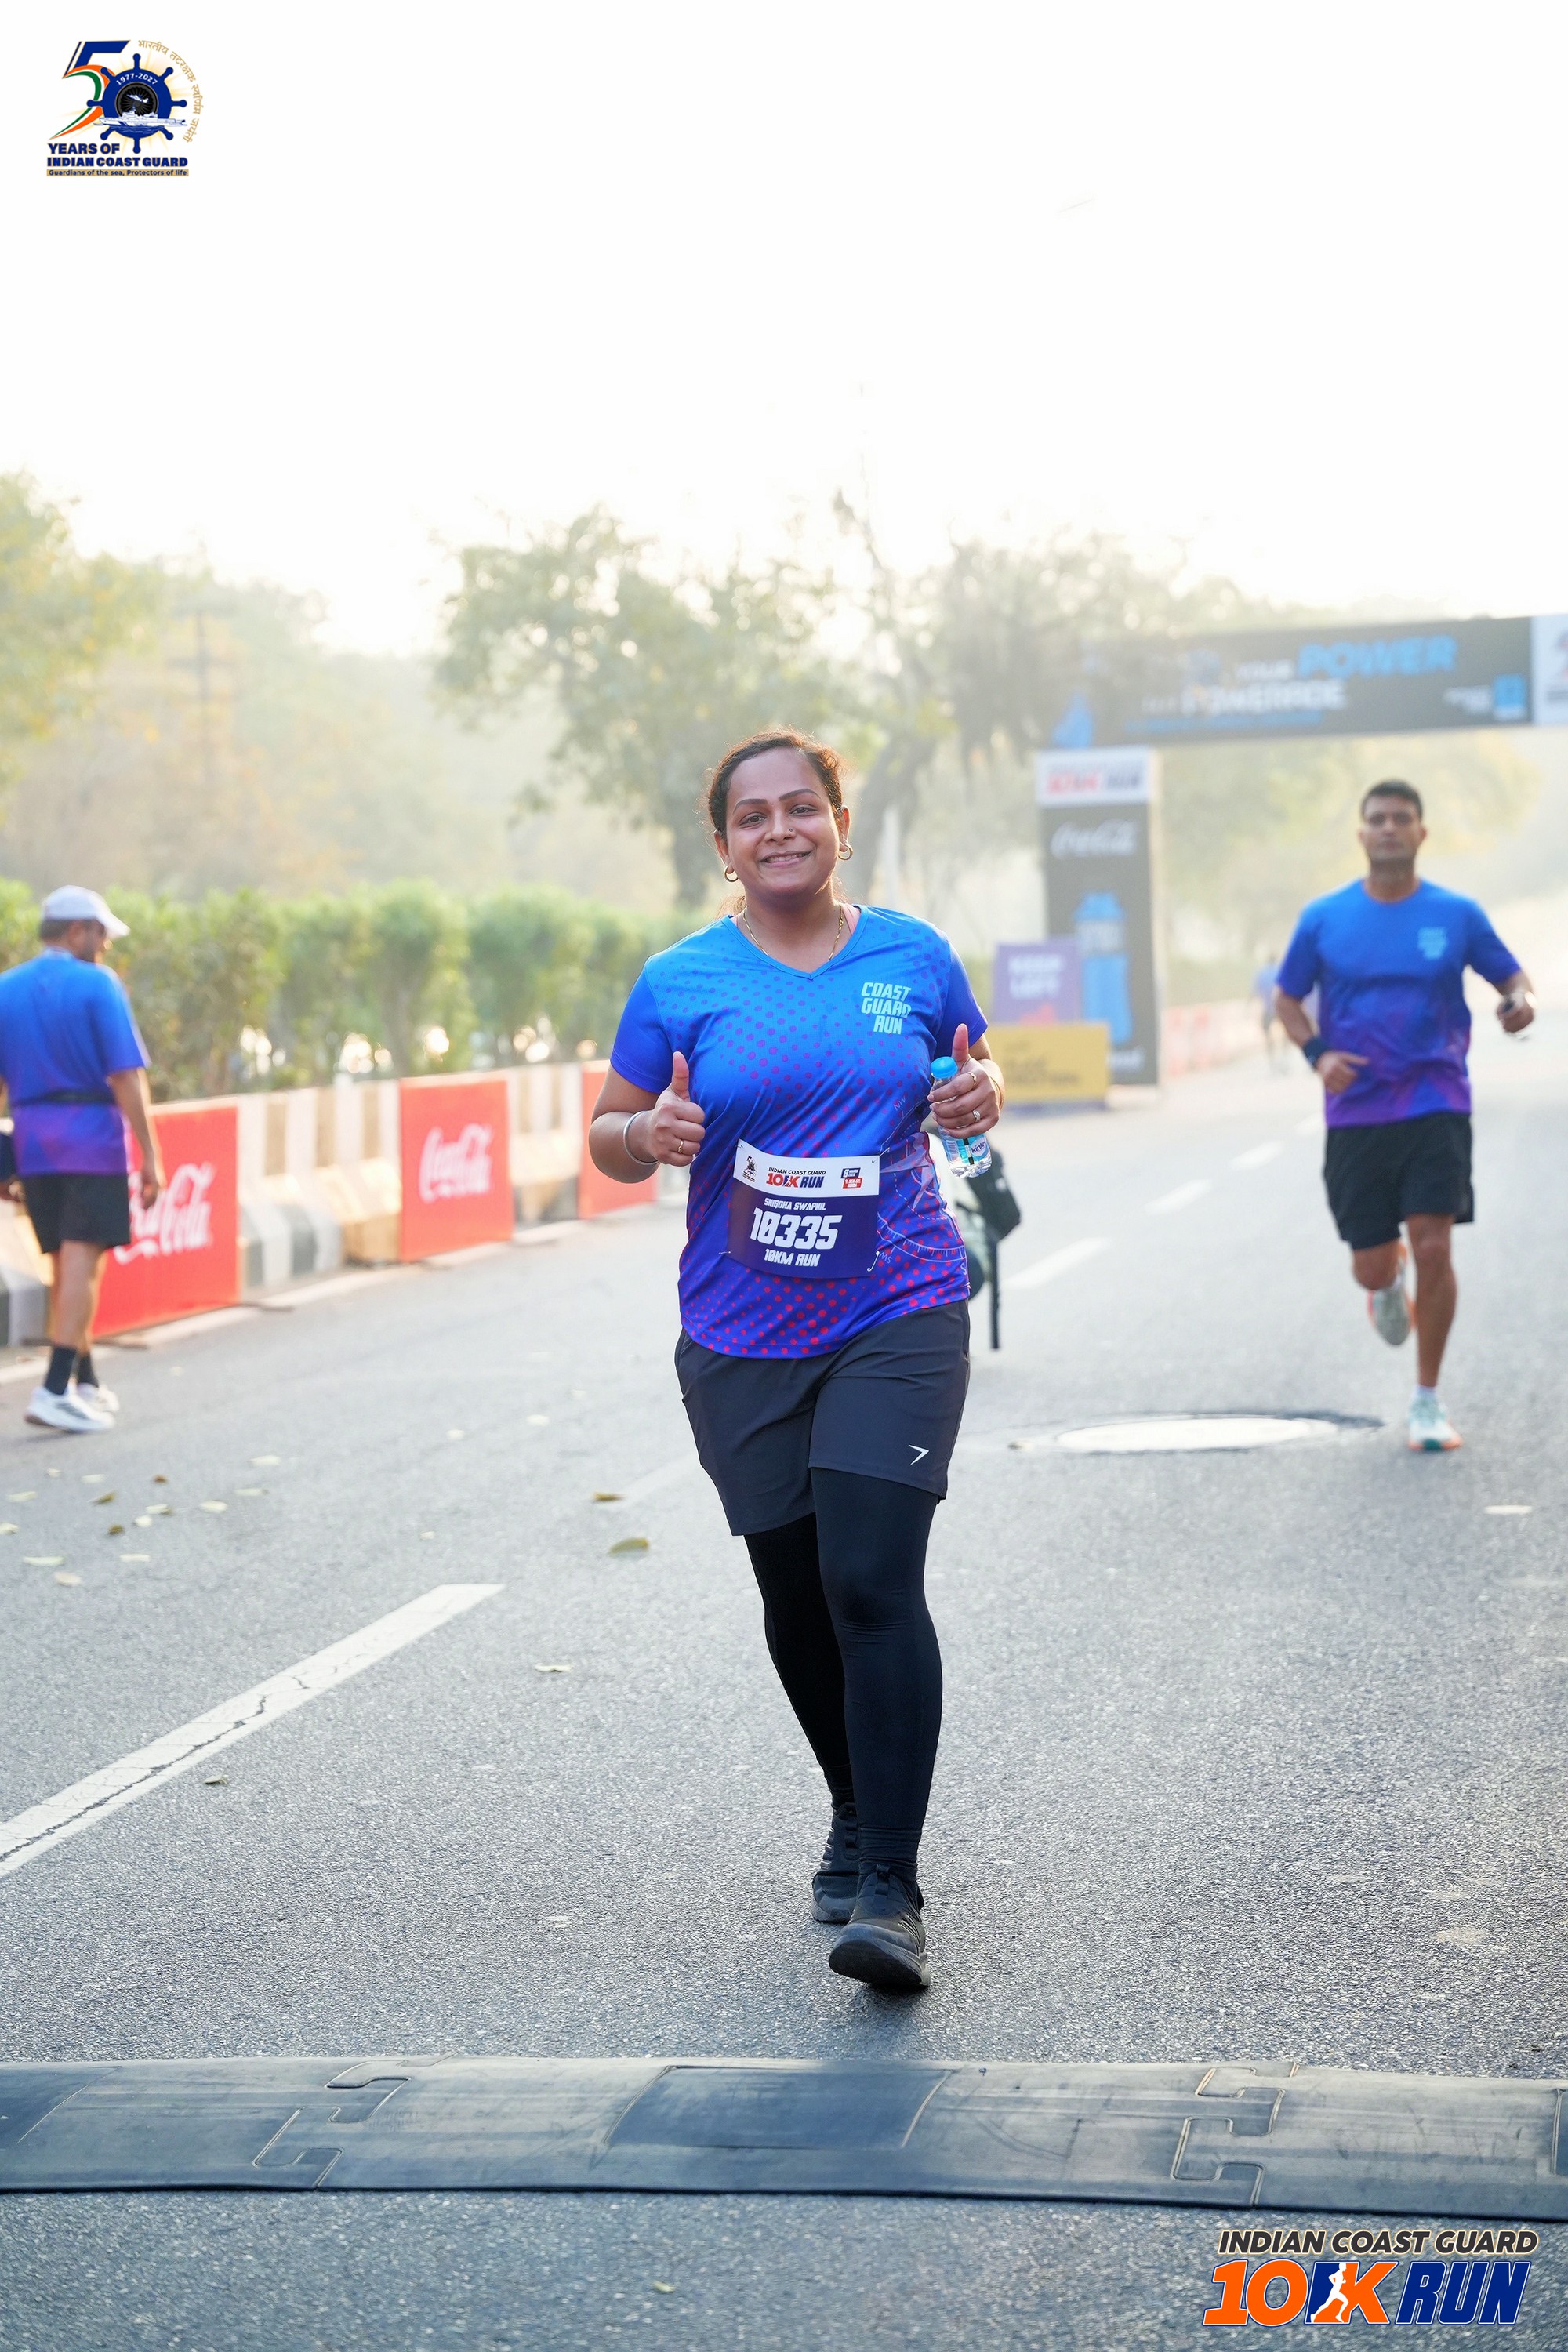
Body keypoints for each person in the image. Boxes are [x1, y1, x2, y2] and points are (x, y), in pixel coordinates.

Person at [588, 730, 1003, 1993]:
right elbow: (605, 1133)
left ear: (839, 823)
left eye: (802, 807)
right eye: (753, 816)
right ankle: (852, 1803)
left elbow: (973, 1073)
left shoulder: (913, 956)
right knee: (796, 1596)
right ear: (724, 846)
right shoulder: (679, 979)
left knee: (870, 1579)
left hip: (899, 1303)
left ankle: (891, 1888)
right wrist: (646, 1133)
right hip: (740, 1330)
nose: (781, 829)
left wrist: (978, 1100)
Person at [1274, 782, 1534, 1453]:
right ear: (1362, 834)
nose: (1389, 828)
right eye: (1378, 819)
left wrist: (1519, 1004)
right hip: (1356, 1111)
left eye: (1401, 819)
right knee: (1370, 1265)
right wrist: (1318, 1054)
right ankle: (1384, 1283)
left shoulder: (1456, 913)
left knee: (1434, 1245)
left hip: (1434, 1100)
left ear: (1421, 833)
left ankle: (1427, 1399)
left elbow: (1511, 978)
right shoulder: (1324, 917)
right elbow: (1287, 998)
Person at [0, 887, 163, 1433]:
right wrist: (151, 1154)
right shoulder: (99, 984)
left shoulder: (5, 988)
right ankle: (52, 1390)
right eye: (101, 934)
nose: (106, 945)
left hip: (33, 1143)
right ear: (77, 931)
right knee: (83, 1264)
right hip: (91, 1140)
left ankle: (85, 1381)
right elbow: (125, 1076)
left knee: (64, 1262)